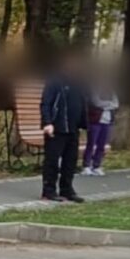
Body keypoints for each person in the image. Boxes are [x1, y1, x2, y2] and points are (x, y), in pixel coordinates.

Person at [40, 55, 88, 203]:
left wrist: (84, 124)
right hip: (56, 128)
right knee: (52, 161)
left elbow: (82, 103)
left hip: (73, 129)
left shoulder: (78, 82)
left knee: (70, 161)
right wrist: (47, 122)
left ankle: (67, 189)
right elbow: (46, 103)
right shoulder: (55, 81)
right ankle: (49, 190)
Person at [83, 73, 118, 176]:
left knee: (101, 145)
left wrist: (106, 105)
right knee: (91, 143)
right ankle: (86, 166)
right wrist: (109, 105)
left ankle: (96, 165)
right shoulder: (94, 89)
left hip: (107, 122)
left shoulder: (111, 91)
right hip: (95, 121)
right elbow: (96, 102)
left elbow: (116, 103)